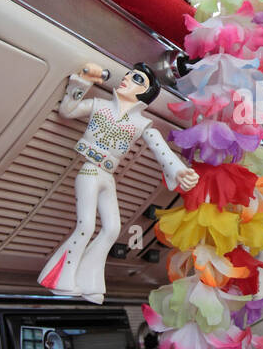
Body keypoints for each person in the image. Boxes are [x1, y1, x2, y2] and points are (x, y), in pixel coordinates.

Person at [38, 63, 198, 303]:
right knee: (86, 226)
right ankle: (59, 279)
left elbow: (161, 149)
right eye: (128, 75)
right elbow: (68, 111)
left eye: (136, 79)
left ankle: (88, 281)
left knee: (112, 229)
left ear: (144, 93)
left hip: (107, 176)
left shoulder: (141, 124)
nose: (126, 79)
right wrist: (81, 82)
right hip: (90, 171)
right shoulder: (100, 106)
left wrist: (179, 170)